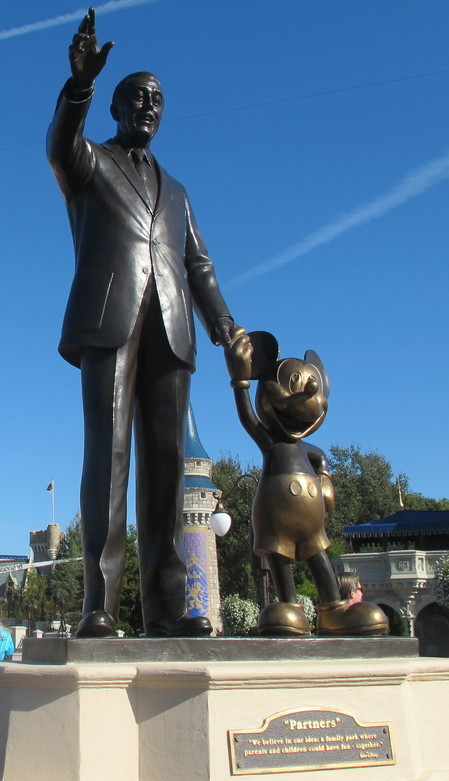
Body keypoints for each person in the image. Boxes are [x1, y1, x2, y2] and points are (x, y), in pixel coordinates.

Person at [47, 8, 244, 638]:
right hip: (110, 319)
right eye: (137, 96)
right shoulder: (90, 163)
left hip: (172, 327)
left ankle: (165, 609)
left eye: (157, 99)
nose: (149, 106)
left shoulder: (178, 189)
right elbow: (58, 144)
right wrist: (79, 84)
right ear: (117, 107)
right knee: (108, 457)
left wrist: (228, 328)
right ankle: (98, 607)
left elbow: (200, 263)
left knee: (167, 466)